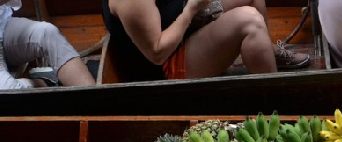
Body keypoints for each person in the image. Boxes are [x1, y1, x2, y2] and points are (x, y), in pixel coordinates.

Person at [103, 0, 308, 81]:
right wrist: (191, 10)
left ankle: (267, 52)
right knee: (250, 22)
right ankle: (275, 114)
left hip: (179, 28)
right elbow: (157, 52)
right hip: (162, 69)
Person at [0, 0, 95, 89]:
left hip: (3, 26)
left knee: (47, 32)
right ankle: (37, 83)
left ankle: (96, 99)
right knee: (11, 89)